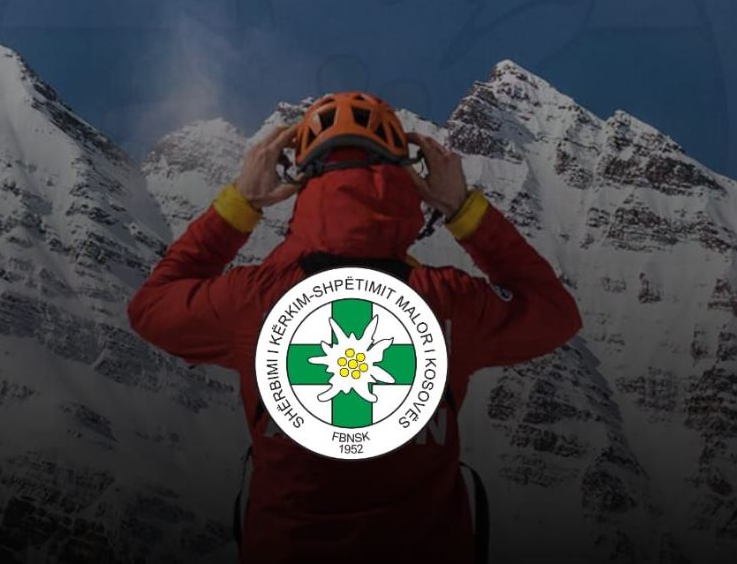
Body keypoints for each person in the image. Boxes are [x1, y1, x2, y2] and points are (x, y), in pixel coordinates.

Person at [127, 92, 582, 563]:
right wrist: (462, 208)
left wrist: (242, 203)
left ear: (302, 181)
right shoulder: (447, 301)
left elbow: (150, 308)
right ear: (407, 176)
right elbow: (554, 312)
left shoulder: (255, 300)